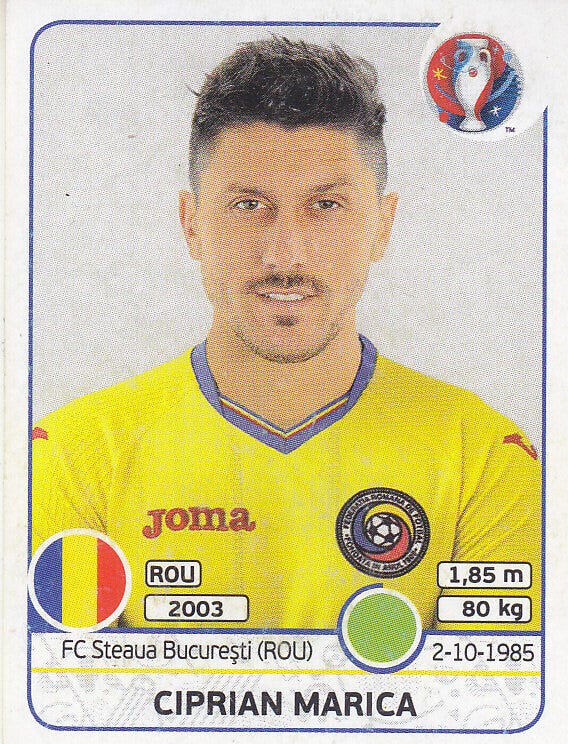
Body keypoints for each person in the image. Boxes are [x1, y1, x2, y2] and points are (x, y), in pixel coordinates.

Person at [32, 37, 540, 631]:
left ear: (382, 226)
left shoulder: (485, 458)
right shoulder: (70, 456)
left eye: (326, 205)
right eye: (249, 205)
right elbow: (63, 689)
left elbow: (494, 688)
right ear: (192, 225)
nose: (286, 255)